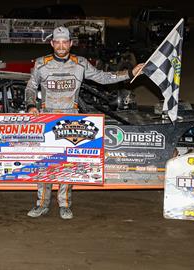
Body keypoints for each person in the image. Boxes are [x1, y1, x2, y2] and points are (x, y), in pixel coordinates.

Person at [25, 26, 144, 219]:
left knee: (67, 165)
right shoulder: (41, 64)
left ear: (71, 43)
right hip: (46, 118)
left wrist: (130, 73)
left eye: (65, 42)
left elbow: (103, 78)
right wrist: (31, 105)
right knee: (45, 165)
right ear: (52, 43)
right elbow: (30, 87)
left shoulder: (80, 63)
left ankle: (64, 205)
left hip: (72, 119)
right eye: (58, 42)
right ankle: (41, 204)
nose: (61, 46)